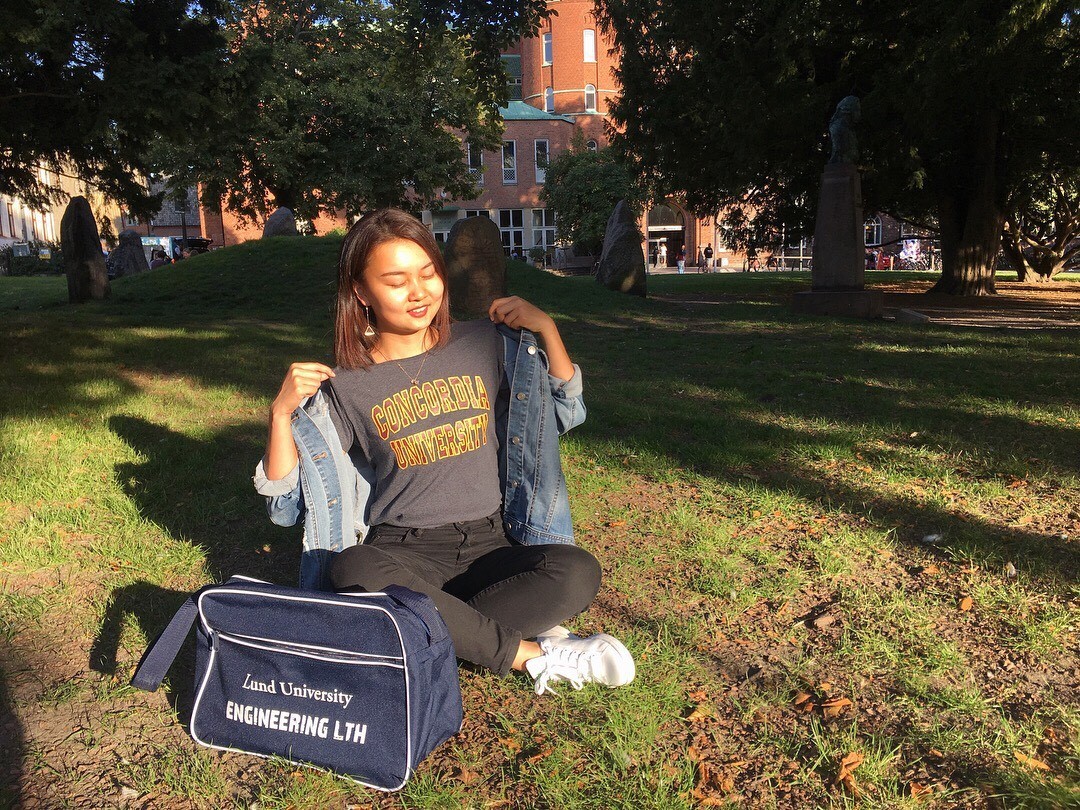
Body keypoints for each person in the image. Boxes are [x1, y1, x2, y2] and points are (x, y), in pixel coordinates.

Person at [256, 209, 635, 696]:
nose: (419, 292)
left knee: (577, 571)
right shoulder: (345, 384)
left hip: (491, 542)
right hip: (405, 552)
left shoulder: (485, 343)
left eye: (428, 273)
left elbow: (564, 414)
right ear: (360, 292)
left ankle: (427, 627)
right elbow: (285, 506)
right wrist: (281, 415)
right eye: (396, 281)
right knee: (353, 568)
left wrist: (548, 330)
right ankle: (534, 655)